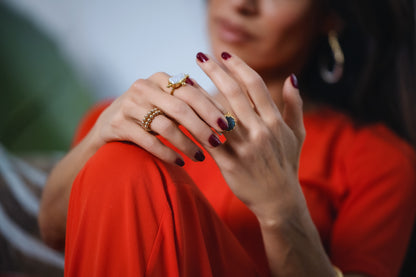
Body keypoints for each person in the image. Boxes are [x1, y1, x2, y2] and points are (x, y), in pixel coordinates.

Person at [38, 0, 416, 276]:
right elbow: (54, 233)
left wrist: (281, 208)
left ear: (329, 16)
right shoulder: (131, 112)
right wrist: (100, 134)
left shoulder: (378, 157)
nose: (240, 4)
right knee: (122, 160)